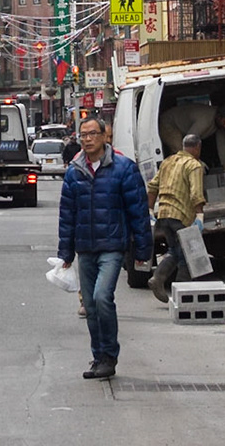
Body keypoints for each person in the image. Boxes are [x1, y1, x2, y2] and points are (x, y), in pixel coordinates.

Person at [57, 115, 152, 381]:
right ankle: (98, 356)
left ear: (104, 137)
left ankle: (110, 355)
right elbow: (67, 215)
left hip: (112, 246)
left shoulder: (124, 168)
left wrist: (143, 250)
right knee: (89, 305)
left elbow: (138, 212)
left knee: (102, 298)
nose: (87, 139)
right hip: (85, 248)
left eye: (92, 134)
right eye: (83, 135)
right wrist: (65, 253)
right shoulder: (74, 171)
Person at [148, 133, 207, 303]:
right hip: (181, 216)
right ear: (198, 147)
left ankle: (158, 278)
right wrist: (200, 216)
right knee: (188, 256)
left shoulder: (168, 161)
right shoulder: (194, 165)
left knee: (175, 250)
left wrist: (150, 209)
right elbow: (196, 193)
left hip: (164, 214)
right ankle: (183, 294)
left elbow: (152, 186)